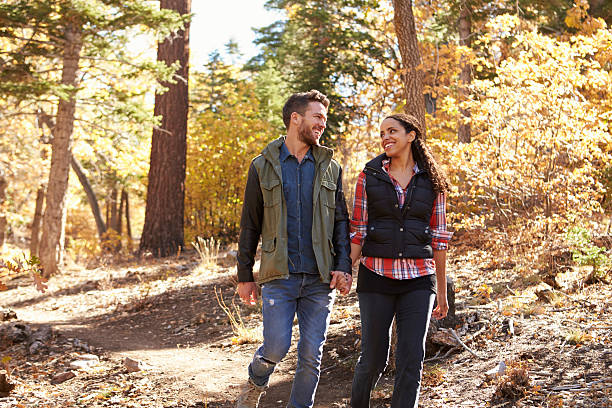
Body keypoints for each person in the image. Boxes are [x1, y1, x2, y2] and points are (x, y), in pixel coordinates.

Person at [235, 89, 352, 408]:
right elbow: (250, 223)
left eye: (325, 120)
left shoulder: (331, 167)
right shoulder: (262, 165)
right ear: (295, 118)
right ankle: (256, 380)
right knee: (276, 346)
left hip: (320, 279)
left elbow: (341, 221)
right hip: (279, 275)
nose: (322, 124)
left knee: (312, 355)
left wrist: (344, 265)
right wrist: (244, 275)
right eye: (318, 117)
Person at [349, 113, 453, 408]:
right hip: (376, 277)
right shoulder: (369, 176)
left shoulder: (433, 181)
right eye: (382, 133)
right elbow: (357, 231)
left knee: (411, 358)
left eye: (392, 131)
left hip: (419, 280)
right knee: (373, 359)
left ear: (411, 135)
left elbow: (439, 239)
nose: (385, 137)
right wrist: (345, 271)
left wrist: (441, 292)